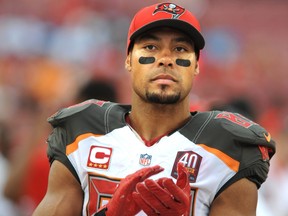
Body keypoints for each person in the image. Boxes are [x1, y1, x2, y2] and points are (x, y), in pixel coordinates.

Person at [33, 2, 276, 216]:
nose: (166, 59)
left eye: (180, 49)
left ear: (196, 66)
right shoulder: (82, 133)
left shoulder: (227, 150)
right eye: (150, 47)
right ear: (128, 59)